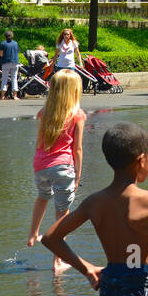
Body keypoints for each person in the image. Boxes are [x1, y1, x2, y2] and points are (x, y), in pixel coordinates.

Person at [40, 123, 148, 296]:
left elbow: (50, 238)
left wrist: (87, 269)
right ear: (141, 160)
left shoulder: (94, 202)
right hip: (143, 290)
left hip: (110, 289)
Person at [29, 71, 86, 271]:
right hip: (63, 167)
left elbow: (39, 142)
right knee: (62, 213)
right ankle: (58, 260)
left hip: (41, 165)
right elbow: (77, 149)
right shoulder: (77, 115)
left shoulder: (44, 112)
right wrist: (78, 175)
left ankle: (33, 234)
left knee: (43, 196)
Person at [0, 30, 20, 100]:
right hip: (15, 62)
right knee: (14, 78)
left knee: (4, 78)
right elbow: (17, 51)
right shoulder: (15, 43)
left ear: (5, 36)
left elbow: (1, 54)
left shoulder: (3, 44)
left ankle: (2, 96)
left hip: (5, 62)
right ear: (12, 36)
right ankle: (15, 95)